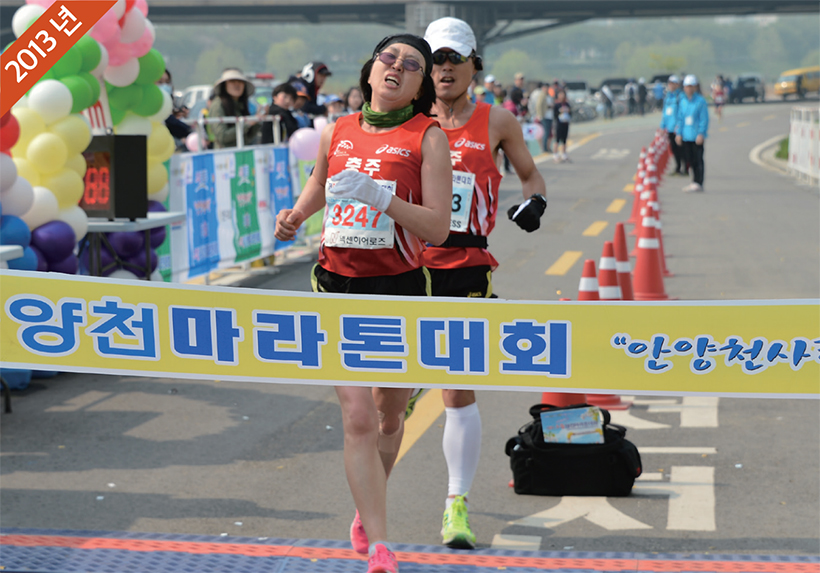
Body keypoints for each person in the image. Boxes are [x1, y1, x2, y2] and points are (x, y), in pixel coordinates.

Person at [274, 33, 451, 573]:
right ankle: (380, 545)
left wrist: (383, 199)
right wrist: (298, 215)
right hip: (336, 285)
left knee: (388, 416)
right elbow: (321, 183)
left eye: (412, 65)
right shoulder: (339, 129)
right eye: (389, 58)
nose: (397, 67)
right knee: (357, 419)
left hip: (398, 289)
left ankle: (366, 504)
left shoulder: (428, 136)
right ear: (371, 70)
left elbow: (439, 228)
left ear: (420, 84)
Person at [412, 16, 547, 550]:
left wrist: (534, 199)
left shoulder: (498, 121)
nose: (444, 69)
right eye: (436, 60)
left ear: (473, 65)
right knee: (384, 398)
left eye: (454, 59)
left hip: (466, 265)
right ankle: (369, 511)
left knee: (456, 386)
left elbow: (530, 175)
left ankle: (456, 504)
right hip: (404, 264)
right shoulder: (408, 117)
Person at [208, 68, 260, 149]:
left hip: (243, 153)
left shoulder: (241, 104)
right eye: (232, 81)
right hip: (225, 156)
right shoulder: (218, 105)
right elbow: (222, 136)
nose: (237, 84)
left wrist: (258, 119)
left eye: (240, 81)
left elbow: (249, 137)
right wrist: (247, 124)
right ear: (224, 85)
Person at [675, 74, 709, 193]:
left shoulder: (700, 101)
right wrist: (678, 133)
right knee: (689, 159)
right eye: (686, 86)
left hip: (696, 136)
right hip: (686, 135)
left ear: (695, 87)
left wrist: (701, 133)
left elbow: (704, 119)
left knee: (698, 159)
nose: (688, 89)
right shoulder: (682, 100)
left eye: (690, 86)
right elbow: (680, 118)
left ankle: (699, 182)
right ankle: (693, 181)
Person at [156, 69, 192, 142]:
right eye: (160, 82)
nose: (165, 85)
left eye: (167, 82)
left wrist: (181, 117)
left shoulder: (170, 106)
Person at [661, 76, 686, 176]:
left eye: (673, 83)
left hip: (678, 128)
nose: (671, 85)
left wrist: (679, 126)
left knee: (682, 149)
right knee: (674, 149)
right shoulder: (668, 97)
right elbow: (665, 113)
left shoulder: (680, 97)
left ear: (677, 85)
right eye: (669, 83)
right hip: (670, 128)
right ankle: (678, 167)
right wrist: (663, 126)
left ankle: (685, 168)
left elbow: (682, 112)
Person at [552, 89, 572, 162]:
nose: (562, 96)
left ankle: (564, 154)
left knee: (564, 140)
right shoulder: (557, 105)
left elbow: (570, 113)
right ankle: (555, 154)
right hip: (559, 124)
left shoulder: (567, 104)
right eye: (560, 95)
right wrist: (560, 112)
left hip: (565, 123)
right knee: (557, 140)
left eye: (563, 94)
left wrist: (568, 111)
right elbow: (555, 115)